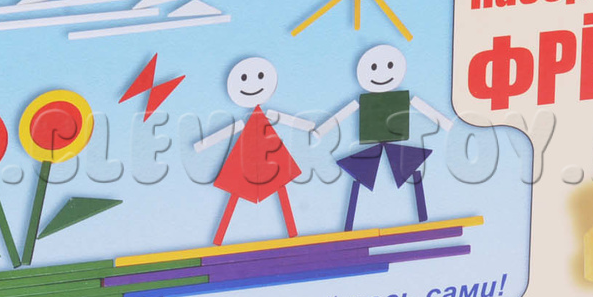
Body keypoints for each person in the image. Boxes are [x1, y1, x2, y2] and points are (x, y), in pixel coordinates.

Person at [315, 44, 453, 231]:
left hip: (395, 147)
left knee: (410, 170)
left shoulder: (401, 99)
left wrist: (445, 123)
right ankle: (349, 226)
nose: (381, 73)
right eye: (374, 67)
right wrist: (320, 131)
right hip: (375, 147)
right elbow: (344, 112)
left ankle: (422, 219)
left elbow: (422, 106)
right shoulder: (365, 101)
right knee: (359, 177)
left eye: (389, 66)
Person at [194, 57, 314, 245]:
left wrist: (307, 126)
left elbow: (292, 121)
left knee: (276, 184)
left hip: (269, 152)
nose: (251, 83)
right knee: (239, 188)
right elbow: (230, 130)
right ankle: (220, 238)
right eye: (244, 78)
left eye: (259, 76)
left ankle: (292, 233)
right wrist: (203, 144)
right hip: (249, 154)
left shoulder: (266, 116)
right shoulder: (248, 122)